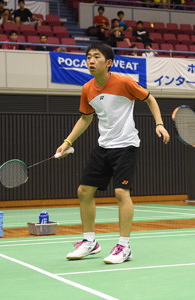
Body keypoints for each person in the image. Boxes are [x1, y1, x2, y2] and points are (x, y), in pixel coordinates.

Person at [57, 42, 169, 264]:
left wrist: (159, 123)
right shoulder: (87, 88)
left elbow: (150, 99)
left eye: (96, 57)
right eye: (88, 56)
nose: (91, 60)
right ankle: (89, 242)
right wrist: (67, 141)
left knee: (120, 193)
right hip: (104, 145)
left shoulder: (124, 82)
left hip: (126, 145)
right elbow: (86, 118)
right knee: (84, 190)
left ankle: (124, 246)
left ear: (108, 63)